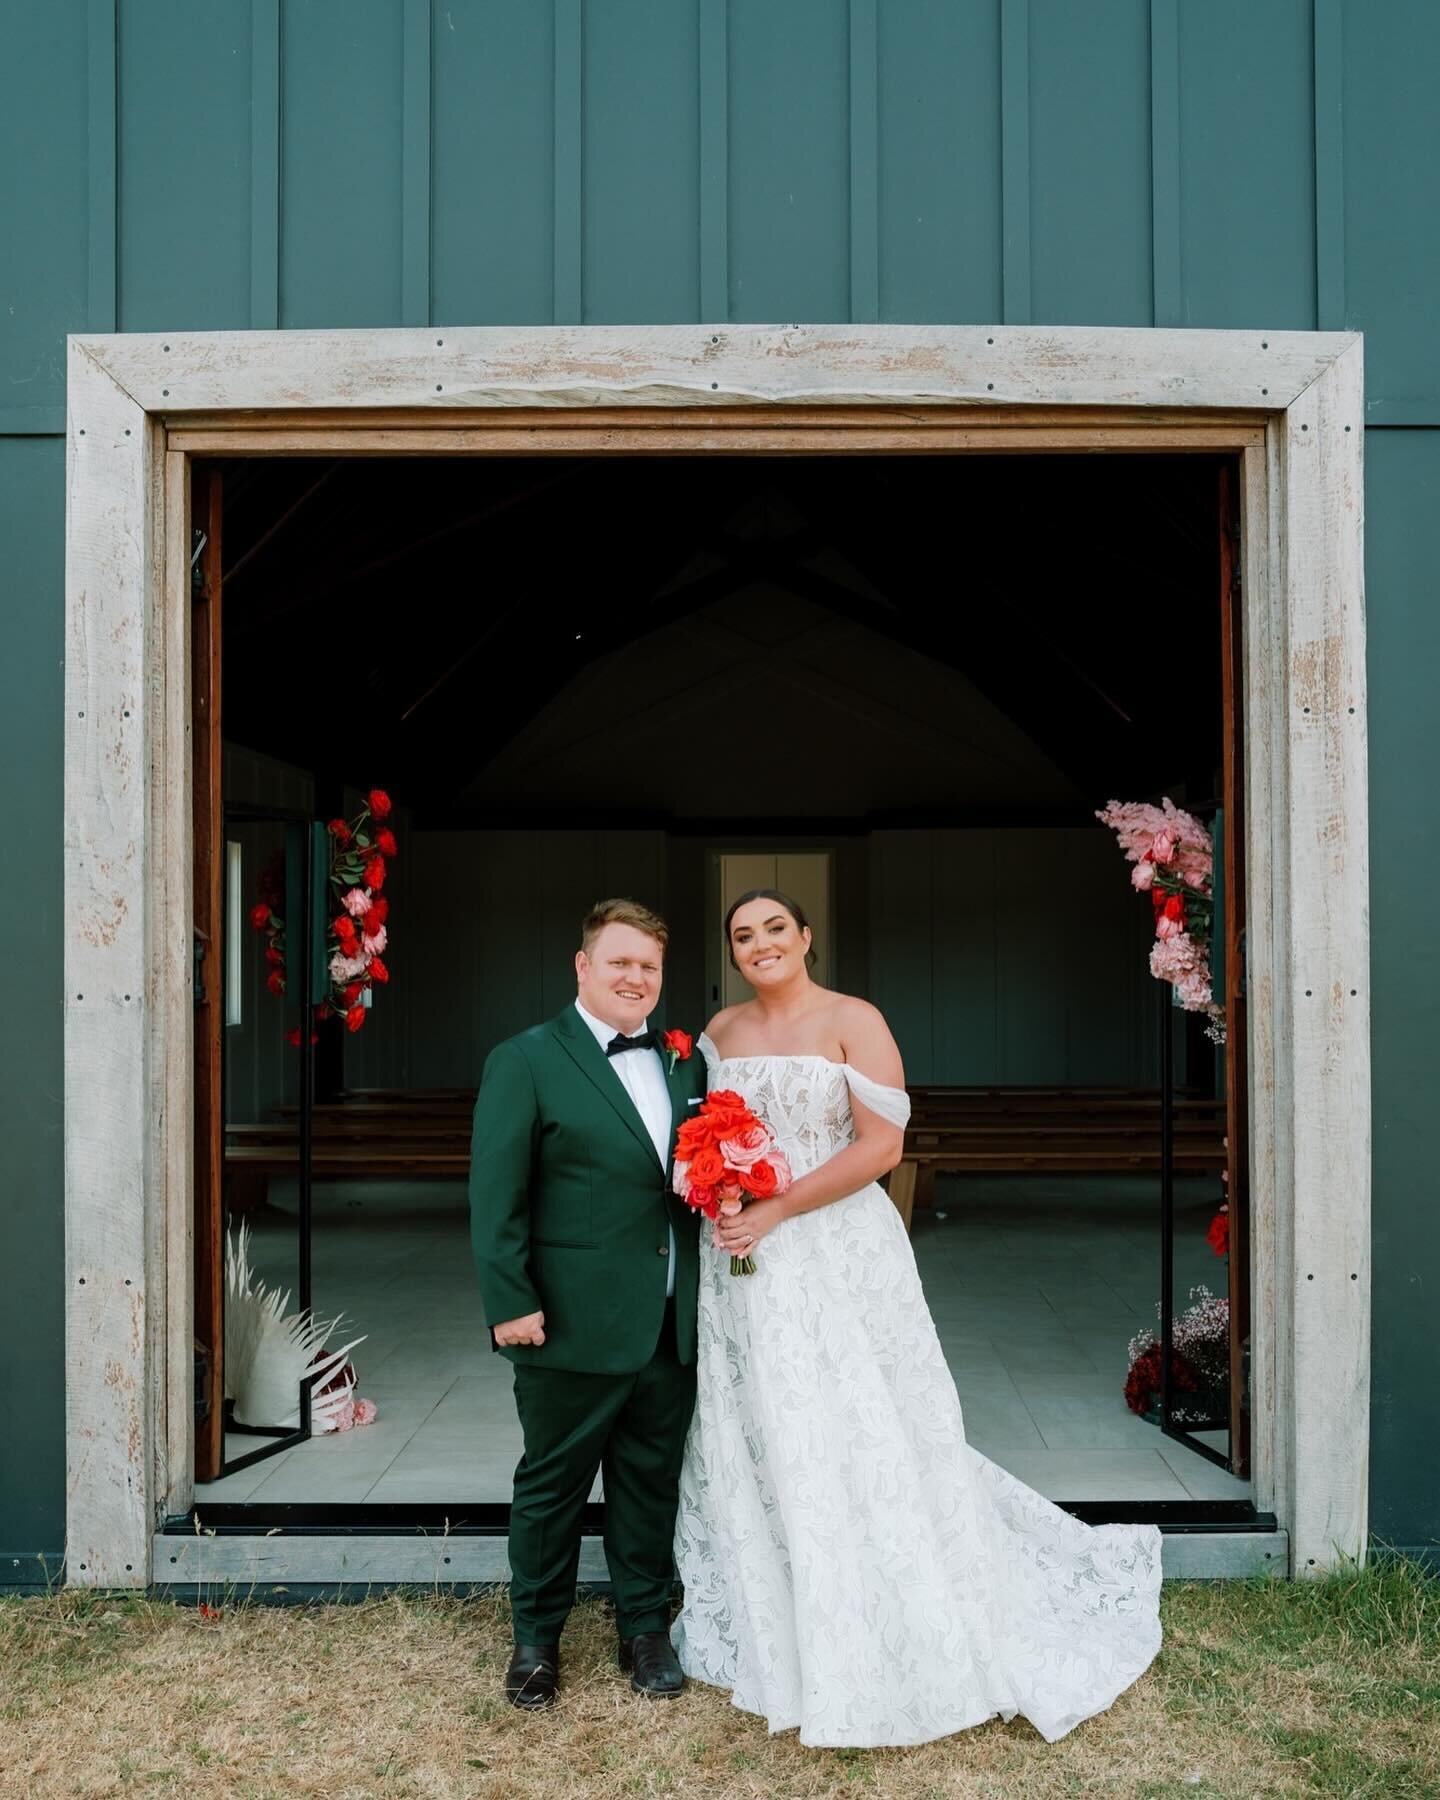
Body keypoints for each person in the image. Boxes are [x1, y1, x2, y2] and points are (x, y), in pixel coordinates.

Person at [671, 888, 1163, 1747]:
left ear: (807, 935)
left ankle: (890, 1602)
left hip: (833, 1247)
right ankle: (786, 1603)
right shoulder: (722, 1031)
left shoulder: (855, 1018)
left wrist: (779, 1207)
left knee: (861, 1418)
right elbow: (708, 1128)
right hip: (745, 1255)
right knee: (769, 1420)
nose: (760, 945)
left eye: (774, 929)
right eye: (743, 936)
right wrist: (725, 1192)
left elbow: (881, 1147)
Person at [469, 898, 706, 1710]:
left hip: (669, 1321)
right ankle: (536, 1640)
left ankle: (646, 1630)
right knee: (553, 1486)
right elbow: (495, 1195)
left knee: (650, 1483)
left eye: (649, 966)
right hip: (565, 1322)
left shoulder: (684, 1063)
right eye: (620, 963)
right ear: (582, 967)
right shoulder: (525, 1059)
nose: (636, 978)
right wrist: (511, 1301)